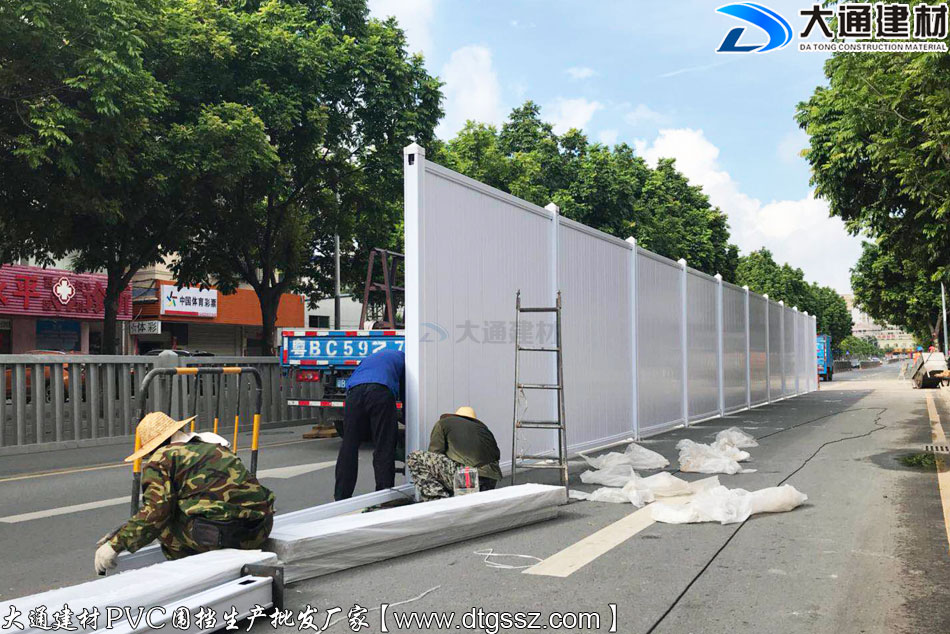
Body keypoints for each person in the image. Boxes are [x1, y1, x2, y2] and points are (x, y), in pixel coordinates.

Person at [93, 412, 275, 574]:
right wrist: (124, 530)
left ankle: (188, 572)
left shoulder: (160, 459)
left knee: (165, 525)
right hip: (260, 528)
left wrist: (116, 545)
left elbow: (157, 513)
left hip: (225, 536)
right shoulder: (215, 446)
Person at [334, 348, 405, 500]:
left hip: (354, 393)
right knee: (384, 444)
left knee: (349, 445)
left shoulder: (371, 359)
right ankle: (384, 495)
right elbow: (406, 393)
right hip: (381, 391)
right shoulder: (406, 360)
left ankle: (341, 496)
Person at [407, 406, 502, 501]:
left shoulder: (443, 423)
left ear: (455, 416)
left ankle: (438, 501)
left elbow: (434, 454)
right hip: (490, 481)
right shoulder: (484, 430)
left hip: (467, 477)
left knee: (415, 457)